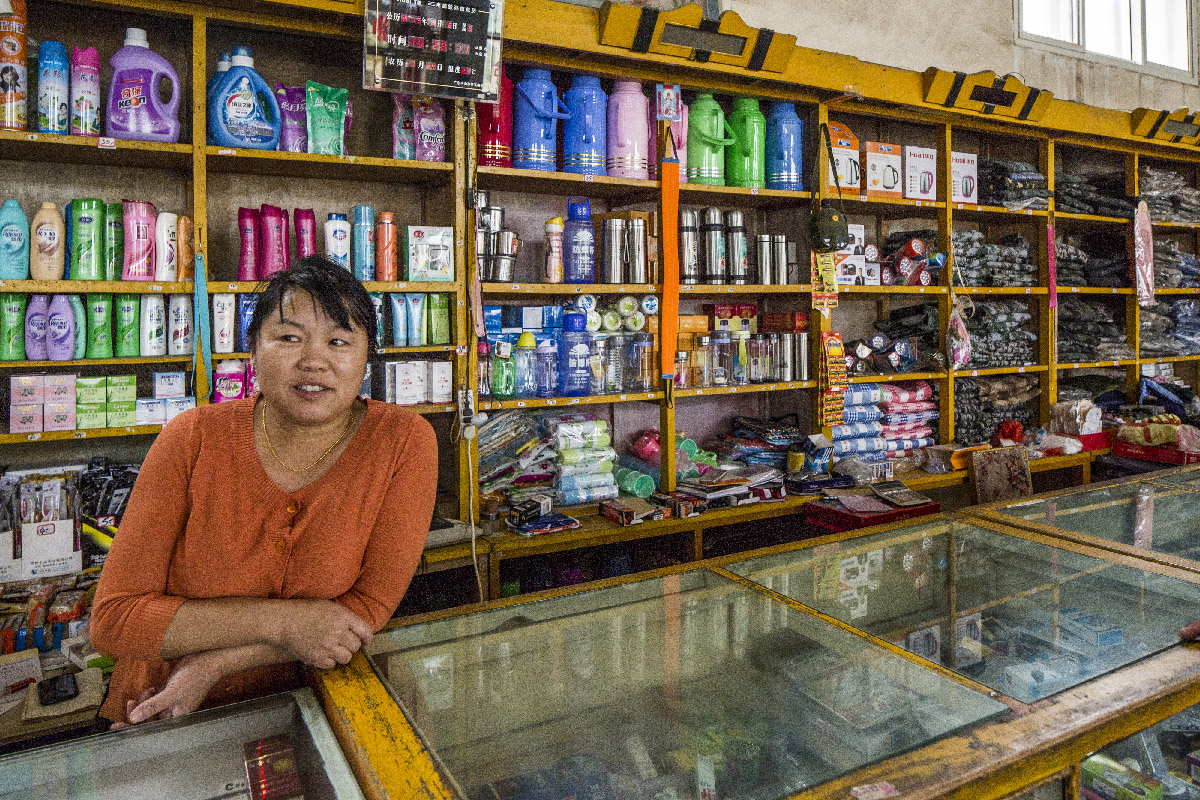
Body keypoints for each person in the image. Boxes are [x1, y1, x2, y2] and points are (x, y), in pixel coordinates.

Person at [91, 256, 438, 727]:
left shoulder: (403, 441)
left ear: (367, 357)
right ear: (252, 349)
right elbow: (116, 618)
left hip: (316, 711)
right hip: (164, 712)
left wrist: (215, 662)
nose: (314, 360)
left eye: (339, 341)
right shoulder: (192, 438)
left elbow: (365, 608)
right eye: (289, 337)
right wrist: (287, 623)